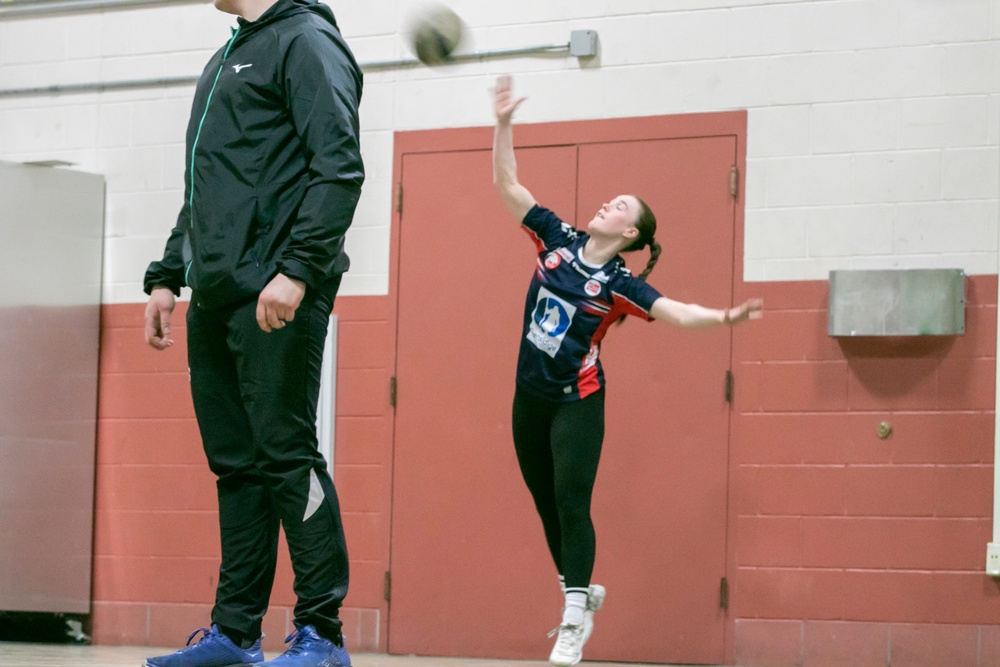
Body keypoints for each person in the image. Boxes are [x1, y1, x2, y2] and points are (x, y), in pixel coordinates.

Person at [491, 75, 762, 667]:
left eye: (620, 207)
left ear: (629, 232)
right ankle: (581, 592)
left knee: (570, 500)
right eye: (610, 199)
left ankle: (572, 619)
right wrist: (504, 123)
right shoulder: (555, 240)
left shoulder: (619, 285)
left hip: (576, 400)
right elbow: (508, 186)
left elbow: (676, 312)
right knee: (543, 502)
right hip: (527, 397)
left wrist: (723, 316)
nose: (607, 204)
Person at [141, 0, 363, 664]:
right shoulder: (230, 53)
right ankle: (235, 634)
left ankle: (322, 633)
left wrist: (298, 268)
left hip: (277, 289)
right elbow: (207, 188)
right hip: (216, 297)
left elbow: (339, 164)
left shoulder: (306, 40)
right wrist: (167, 273)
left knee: (286, 455)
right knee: (236, 467)